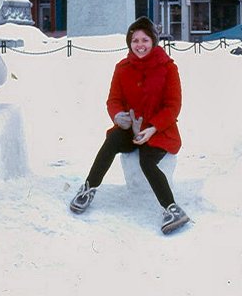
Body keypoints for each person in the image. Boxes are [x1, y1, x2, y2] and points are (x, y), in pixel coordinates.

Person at [70, 16, 190, 234]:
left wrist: (152, 128)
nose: (140, 45)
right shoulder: (122, 67)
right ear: (129, 43)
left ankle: (172, 209)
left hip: (159, 130)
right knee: (112, 140)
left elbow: (173, 106)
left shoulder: (168, 68)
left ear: (153, 41)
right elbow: (113, 100)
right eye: (135, 40)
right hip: (131, 128)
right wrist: (118, 117)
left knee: (147, 161)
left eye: (145, 39)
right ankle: (89, 187)